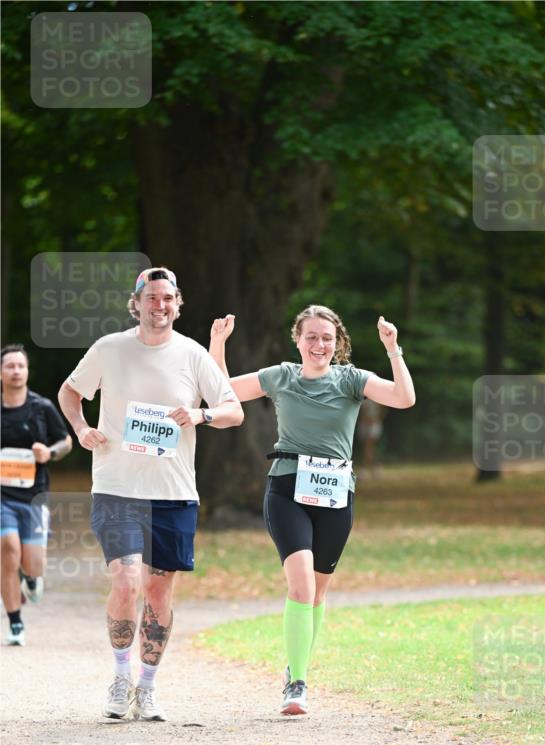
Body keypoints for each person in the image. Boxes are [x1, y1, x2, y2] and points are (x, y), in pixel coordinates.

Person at [209, 304, 415, 716]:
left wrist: (393, 349)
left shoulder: (352, 379)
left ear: (337, 342)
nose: (319, 344)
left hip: (335, 493)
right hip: (287, 486)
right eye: (311, 337)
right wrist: (217, 343)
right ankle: (296, 684)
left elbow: (404, 398)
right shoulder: (281, 375)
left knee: (318, 592)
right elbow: (221, 391)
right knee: (300, 585)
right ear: (297, 340)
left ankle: (297, 664)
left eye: (327, 337)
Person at [58, 266, 243, 721]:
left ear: (178, 304)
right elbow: (70, 392)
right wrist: (81, 429)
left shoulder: (193, 355)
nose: (159, 306)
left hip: (174, 492)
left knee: (159, 593)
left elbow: (233, 410)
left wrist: (200, 417)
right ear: (136, 303)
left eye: (168, 299)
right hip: (118, 487)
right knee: (125, 581)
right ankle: (120, 678)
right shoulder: (110, 348)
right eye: (151, 298)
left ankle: (147, 686)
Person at [1, 344, 72, 646]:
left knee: (32, 564)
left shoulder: (41, 407)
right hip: (2, 496)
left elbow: (66, 441)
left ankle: (31, 579)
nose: (16, 371)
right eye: (10, 366)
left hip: (34, 496)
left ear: (27, 371)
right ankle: (15, 621)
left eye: (21, 366)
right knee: (7, 550)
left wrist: (50, 453)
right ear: (1, 372)